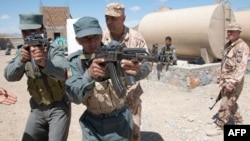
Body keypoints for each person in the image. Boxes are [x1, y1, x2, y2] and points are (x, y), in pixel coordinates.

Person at [4, 13, 71, 141]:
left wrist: (45, 62)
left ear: (42, 30)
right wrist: (21, 60)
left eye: (33, 31)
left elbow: (65, 71)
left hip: (58, 108)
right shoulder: (22, 50)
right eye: (25, 32)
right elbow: (9, 76)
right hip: (37, 108)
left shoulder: (53, 49)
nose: (29, 36)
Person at [102, 2, 152, 141]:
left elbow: (148, 64)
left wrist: (137, 72)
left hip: (131, 100)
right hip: (108, 101)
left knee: (134, 136)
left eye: (113, 18)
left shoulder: (136, 38)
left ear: (124, 18)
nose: (109, 22)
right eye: (107, 18)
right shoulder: (101, 38)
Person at [215, 22, 249, 129]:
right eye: (228, 31)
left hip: (233, 82)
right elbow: (224, 62)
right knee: (231, 103)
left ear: (238, 32)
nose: (229, 33)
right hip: (225, 80)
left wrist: (232, 82)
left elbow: (241, 67)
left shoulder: (241, 47)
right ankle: (239, 122)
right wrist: (220, 76)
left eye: (232, 31)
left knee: (225, 104)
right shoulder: (228, 45)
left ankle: (220, 126)